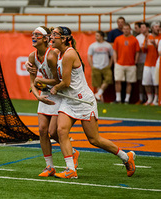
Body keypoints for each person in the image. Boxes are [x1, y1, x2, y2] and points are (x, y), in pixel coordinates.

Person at [49, 26, 136, 179]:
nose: (51, 37)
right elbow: (45, 57)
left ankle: (125, 157)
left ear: (64, 39)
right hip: (69, 101)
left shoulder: (69, 54)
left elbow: (66, 83)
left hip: (83, 101)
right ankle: (71, 170)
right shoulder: (58, 52)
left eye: (54, 35)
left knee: (94, 139)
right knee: (60, 131)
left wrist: (56, 87)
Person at [25, 26, 79, 177]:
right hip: (45, 94)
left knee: (53, 131)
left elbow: (57, 80)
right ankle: (49, 166)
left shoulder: (52, 55)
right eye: (32, 34)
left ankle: (72, 154)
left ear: (44, 38)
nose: (33, 37)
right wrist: (38, 95)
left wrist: (40, 81)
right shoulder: (32, 57)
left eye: (36, 35)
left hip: (58, 93)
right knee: (42, 130)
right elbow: (33, 83)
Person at [113, 23, 140, 104]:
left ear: (130, 29)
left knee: (129, 82)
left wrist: (135, 61)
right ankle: (118, 99)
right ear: (122, 30)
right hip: (120, 63)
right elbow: (115, 50)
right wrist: (115, 61)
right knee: (118, 81)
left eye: (127, 29)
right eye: (124, 29)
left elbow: (137, 51)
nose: (125, 30)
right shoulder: (118, 39)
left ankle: (127, 99)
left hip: (130, 64)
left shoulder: (134, 39)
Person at [87, 30, 113, 102]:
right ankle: (101, 98)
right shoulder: (92, 45)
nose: (96, 37)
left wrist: (110, 64)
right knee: (97, 83)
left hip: (105, 66)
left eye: (97, 36)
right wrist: (92, 65)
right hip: (96, 66)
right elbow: (89, 56)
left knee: (108, 79)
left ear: (102, 37)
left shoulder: (108, 45)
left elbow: (112, 55)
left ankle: (99, 93)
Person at [142, 21, 161, 106]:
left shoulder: (160, 37)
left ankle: (156, 99)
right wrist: (146, 42)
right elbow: (144, 50)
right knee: (146, 82)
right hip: (147, 63)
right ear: (152, 28)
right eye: (156, 27)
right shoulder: (148, 36)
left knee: (156, 83)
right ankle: (149, 98)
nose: (157, 28)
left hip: (156, 63)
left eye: (158, 27)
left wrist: (155, 45)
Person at [136, 22, 150, 104]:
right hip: (141, 61)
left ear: (148, 28)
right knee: (141, 80)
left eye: (143, 27)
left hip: (151, 61)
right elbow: (138, 50)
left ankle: (150, 98)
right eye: (141, 27)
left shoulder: (151, 36)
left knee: (150, 81)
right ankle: (141, 98)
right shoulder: (138, 37)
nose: (142, 29)